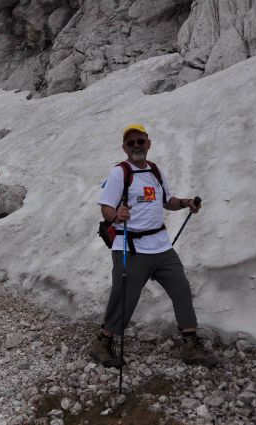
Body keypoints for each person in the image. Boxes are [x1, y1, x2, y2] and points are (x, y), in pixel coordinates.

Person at [91, 124, 218, 368]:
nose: (137, 146)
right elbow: (105, 207)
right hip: (130, 246)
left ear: (148, 143)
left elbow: (166, 201)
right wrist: (116, 215)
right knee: (124, 296)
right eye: (131, 143)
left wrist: (185, 202)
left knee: (181, 288)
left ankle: (190, 345)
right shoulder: (120, 172)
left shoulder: (155, 171)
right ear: (124, 148)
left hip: (160, 245)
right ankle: (103, 343)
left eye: (140, 141)